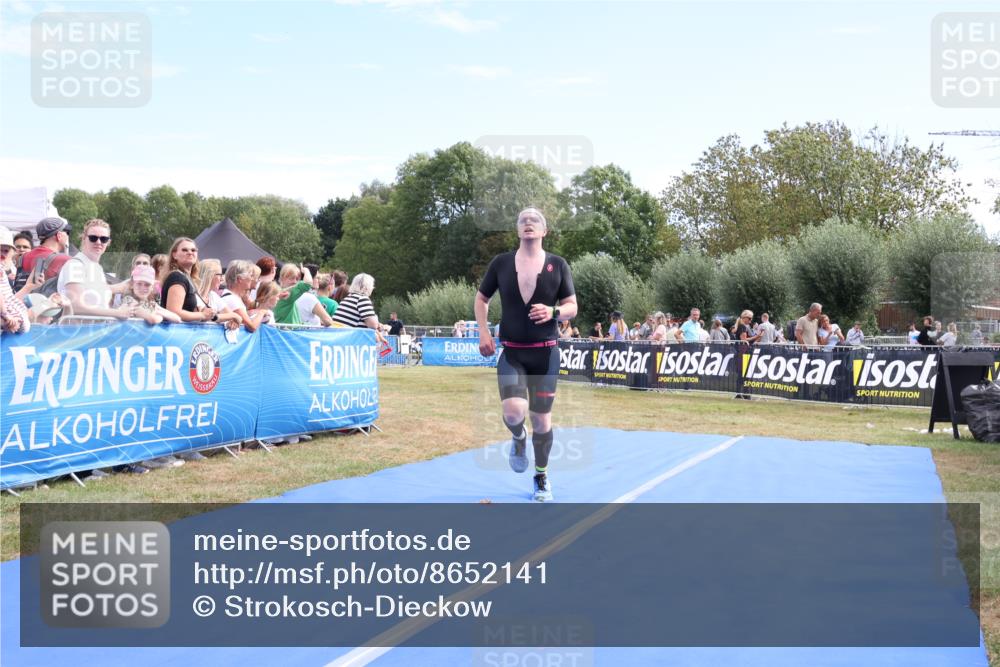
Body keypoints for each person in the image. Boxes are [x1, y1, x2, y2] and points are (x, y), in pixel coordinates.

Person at [475, 207, 577, 503]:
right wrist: (483, 332)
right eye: (523, 220)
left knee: (541, 421)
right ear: (518, 230)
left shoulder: (558, 264)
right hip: (513, 354)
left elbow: (572, 306)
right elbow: (482, 299)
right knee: (513, 412)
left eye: (534, 220)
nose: (528, 222)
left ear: (544, 231)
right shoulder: (501, 263)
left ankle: (541, 475)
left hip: (545, 356)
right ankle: (519, 437)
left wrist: (553, 312)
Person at [57, 219, 133, 320]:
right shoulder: (76, 265)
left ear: (108, 242)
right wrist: (117, 313)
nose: (98, 242)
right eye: (93, 238)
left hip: (96, 328)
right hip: (78, 329)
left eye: (104, 239)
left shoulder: (96, 267)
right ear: (84, 238)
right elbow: (75, 307)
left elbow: (94, 293)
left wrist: (124, 287)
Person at [161, 238, 217, 323]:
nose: (190, 252)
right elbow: (173, 312)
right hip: (176, 330)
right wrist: (202, 315)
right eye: (184, 250)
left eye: (193, 250)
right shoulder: (177, 277)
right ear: (174, 255)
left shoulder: (186, 278)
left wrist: (204, 313)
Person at [331, 273, 387, 343]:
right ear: (366, 287)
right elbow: (373, 325)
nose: (372, 288)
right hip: (351, 341)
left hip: (339, 338)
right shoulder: (362, 299)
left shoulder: (347, 298)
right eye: (372, 286)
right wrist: (376, 319)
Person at [18, 216, 72, 286]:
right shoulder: (65, 260)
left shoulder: (22, 258)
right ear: (59, 235)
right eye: (67, 233)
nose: (67, 236)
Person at [221, 260, 269, 332]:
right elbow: (252, 327)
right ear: (239, 279)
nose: (252, 279)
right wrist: (262, 312)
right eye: (250, 276)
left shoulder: (235, 297)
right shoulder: (232, 299)